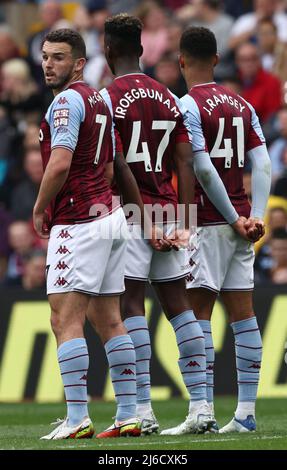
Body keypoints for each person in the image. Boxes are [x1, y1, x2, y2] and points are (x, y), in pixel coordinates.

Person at [98, 14, 215, 436]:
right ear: (142, 49)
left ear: (107, 48)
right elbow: (186, 162)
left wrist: (140, 217)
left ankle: (142, 410)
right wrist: (183, 220)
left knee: (130, 306)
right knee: (179, 307)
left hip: (130, 214)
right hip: (170, 212)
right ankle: (202, 406)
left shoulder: (106, 98)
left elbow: (113, 163)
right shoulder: (169, 96)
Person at [33, 28, 143, 440]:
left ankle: (77, 417)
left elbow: (60, 163)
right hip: (108, 215)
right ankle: (129, 414)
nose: (48, 64)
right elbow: (113, 165)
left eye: (59, 57)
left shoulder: (66, 102)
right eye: (45, 56)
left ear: (79, 63)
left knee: (64, 318)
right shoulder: (99, 99)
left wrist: (41, 205)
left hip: (79, 219)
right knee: (110, 319)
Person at [161, 26, 271, 435]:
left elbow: (201, 167)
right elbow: (261, 164)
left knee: (196, 314)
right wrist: (253, 216)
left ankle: (201, 410)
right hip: (243, 226)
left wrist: (230, 218)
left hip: (209, 225)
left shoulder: (187, 106)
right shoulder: (242, 105)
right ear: (218, 60)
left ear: (182, 61)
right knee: (244, 317)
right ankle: (245, 413)